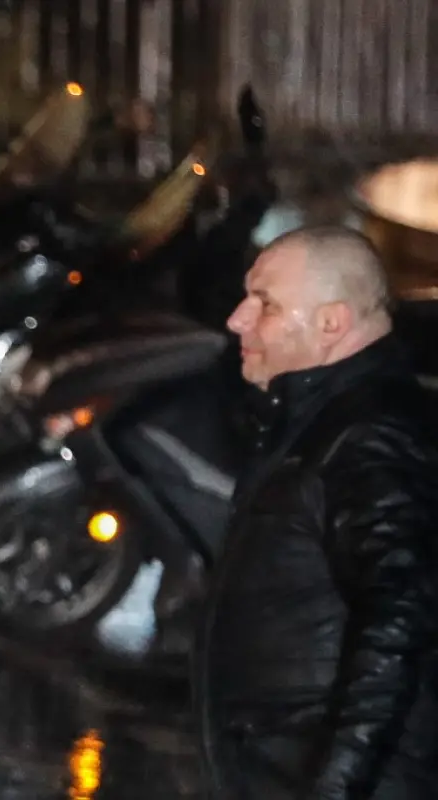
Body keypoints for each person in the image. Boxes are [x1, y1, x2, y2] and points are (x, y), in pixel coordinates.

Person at [196, 225, 438, 799]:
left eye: (266, 304)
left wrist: (335, 786)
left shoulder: (373, 436)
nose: (237, 320)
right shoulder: (319, 420)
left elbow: (398, 622)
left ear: (332, 323)